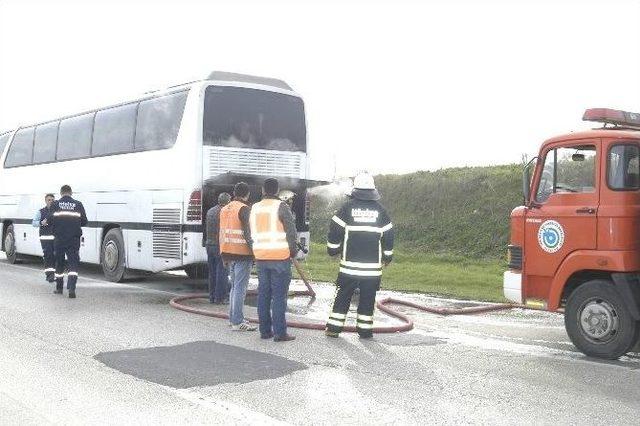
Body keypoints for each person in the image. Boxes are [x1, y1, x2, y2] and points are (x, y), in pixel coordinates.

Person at [325, 172, 395, 339]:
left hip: (349, 267)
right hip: (372, 270)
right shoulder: (380, 211)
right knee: (368, 299)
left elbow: (334, 230)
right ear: (372, 191)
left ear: (355, 189)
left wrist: (333, 250)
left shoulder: (346, 209)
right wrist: (387, 257)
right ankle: (365, 331)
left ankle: (334, 329)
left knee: (343, 295)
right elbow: (389, 236)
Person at [250, 178, 298, 342]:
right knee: (279, 296)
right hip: (280, 258)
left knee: (263, 294)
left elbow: (250, 233)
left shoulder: (254, 208)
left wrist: (255, 251)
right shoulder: (281, 206)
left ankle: (264, 331)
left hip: (261, 257)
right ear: (277, 191)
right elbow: (291, 232)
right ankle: (280, 333)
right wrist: (293, 252)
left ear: (263, 190)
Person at [219, 182, 256, 331]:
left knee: (234, 287)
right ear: (247, 194)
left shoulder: (225, 208)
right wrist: (255, 251)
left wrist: (223, 254)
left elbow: (221, 232)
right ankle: (238, 322)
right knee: (240, 288)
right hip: (242, 253)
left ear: (234, 192)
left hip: (228, 252)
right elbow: (248, 233)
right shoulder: (244, 209)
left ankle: (233, 318)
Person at [51, 185, 88, 298]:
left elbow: (51, 220)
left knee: (59, 264)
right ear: (71, 193)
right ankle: (71, 289)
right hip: (73, 239)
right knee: (73, 264)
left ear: (61, 193)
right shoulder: (78, 204)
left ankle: (59, 288)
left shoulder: (55, 204)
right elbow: (84, 221)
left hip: (59, 239)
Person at [204, 192, 231, 304]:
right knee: (222, 272)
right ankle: (220, 298)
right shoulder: (224, 212)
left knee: (212, 272)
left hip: (209, 244)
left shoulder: (210, 211)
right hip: (219, 245)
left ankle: (212, 296)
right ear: (227, 202)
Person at [32, 193, 56, 282]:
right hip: (45, 238)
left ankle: (56, 274)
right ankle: (49, 275)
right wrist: (41, 223)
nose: (51, 201)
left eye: (52, 200)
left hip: (56, 238)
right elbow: (34, 223)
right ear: (45, 201)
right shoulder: (41, 212)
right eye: (49, 200)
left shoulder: (57, 212)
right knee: (48, 256)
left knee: (56, 256)